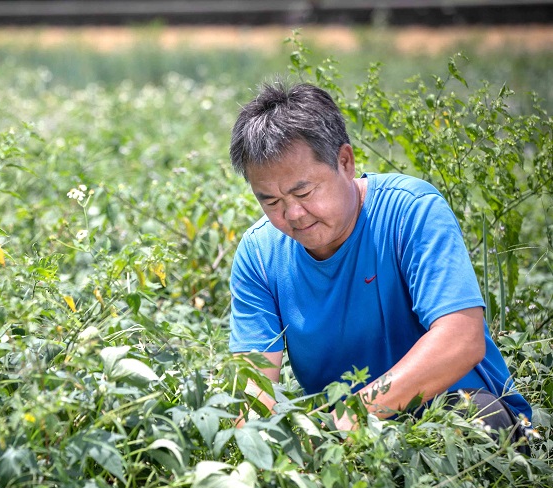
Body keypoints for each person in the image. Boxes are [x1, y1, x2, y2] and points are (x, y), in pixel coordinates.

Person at [228, 80, 532, 442]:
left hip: (452, 412)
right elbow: (254, 392)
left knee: (473, 423)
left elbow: (460, 341)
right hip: (344, 437)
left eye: (303, 191)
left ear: (345, 161)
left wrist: (350, 418)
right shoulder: (259, 254)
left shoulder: (411, 211)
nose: (293, 214)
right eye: (271, 202)